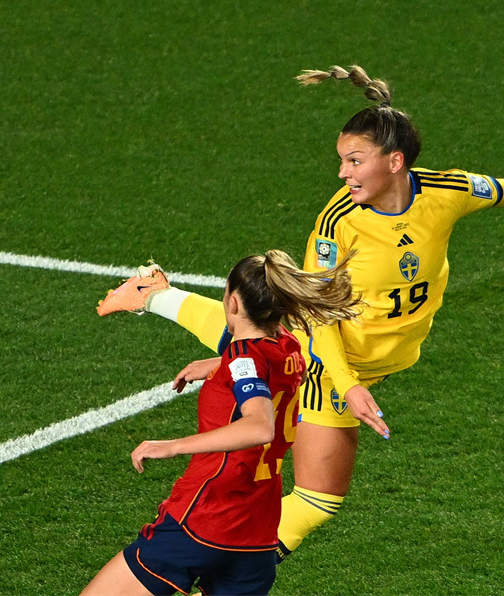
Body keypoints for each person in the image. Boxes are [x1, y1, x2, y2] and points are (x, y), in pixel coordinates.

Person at [96, 65, 504, 563]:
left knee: (266, 340)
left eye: (354, 161)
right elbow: (319, 320)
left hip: (364, 360)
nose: (343, 173)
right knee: (317, 497)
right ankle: (235, 568)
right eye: (342, 160)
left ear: (395, 161)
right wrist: (347, 384)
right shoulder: (338, 224)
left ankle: (154, 294)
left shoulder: (446, 191)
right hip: (333, 363)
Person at [82, 250, 359, 596]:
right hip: (258, 533)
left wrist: (171, 446)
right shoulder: (289, 347)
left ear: (233, 303)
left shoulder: (244, 357)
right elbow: (270, 368)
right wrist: (219, 364)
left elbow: (259, 426)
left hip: (205, 518)